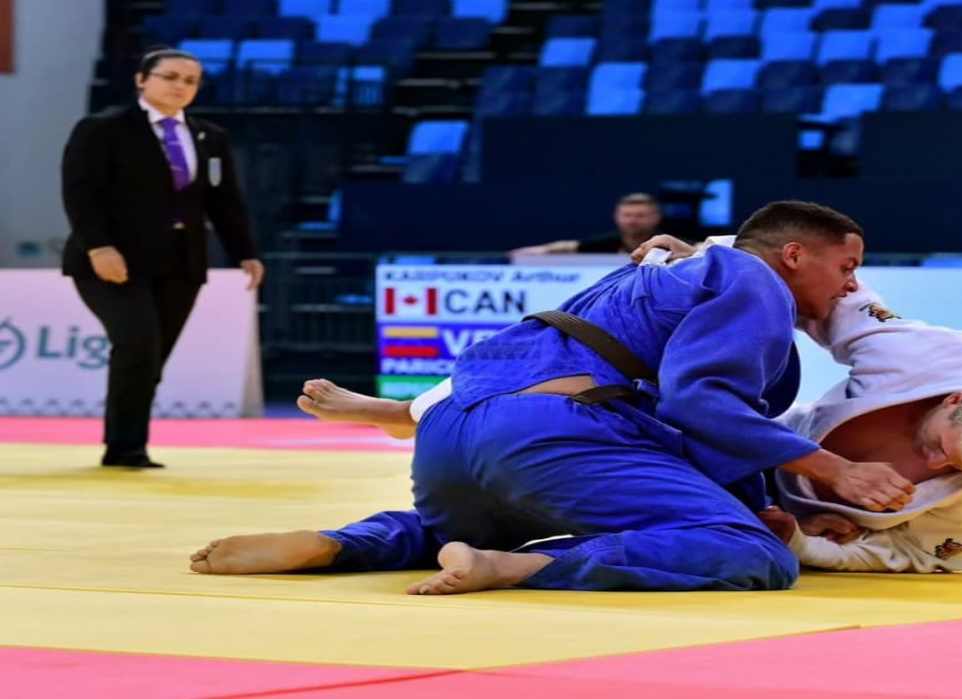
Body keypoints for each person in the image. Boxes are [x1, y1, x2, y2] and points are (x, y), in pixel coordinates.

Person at [191, 201, 917, 593]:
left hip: (452, 432)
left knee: (486, 524)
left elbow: (697, 420)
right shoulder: (754, 282)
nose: (852, 285)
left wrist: (763, 496)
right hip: (554, 434)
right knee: (753, 553)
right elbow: (701, 408)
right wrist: (835, 471)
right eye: (846, 266)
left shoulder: (648, 276)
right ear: (793, 255)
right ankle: (523, 568)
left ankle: (344, 545)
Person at [630, 234, 962, 573]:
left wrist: (801, 543)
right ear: (955, 399)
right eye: (941, 445)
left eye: (958, 467)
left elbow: (903, 553)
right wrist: (710, 260)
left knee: (735, 555)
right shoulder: (921, 355)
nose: (937, 463)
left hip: (777, 515)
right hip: (757, 443)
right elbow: (825, 286)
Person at [61, 47, 264, 469]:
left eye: (190, 81)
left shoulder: (209, 137)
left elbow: (224, 202)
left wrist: (245, 252)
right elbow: (80, 193)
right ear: (142, 79)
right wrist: (98, 246)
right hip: (112, 261)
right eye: (170, 77)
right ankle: (124, 448)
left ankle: (128, 442)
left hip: (181, 264)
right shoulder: (102, 129)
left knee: (152, 358)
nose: (180, 86)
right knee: (137, 343)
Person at [508, 193, 663, 257]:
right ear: (616, 216)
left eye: (640, 216)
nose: (632, 220)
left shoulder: (668, 242)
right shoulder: (607, 242)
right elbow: (571, 246)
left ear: (656, 217)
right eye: (627, 215)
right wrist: (539, 250)